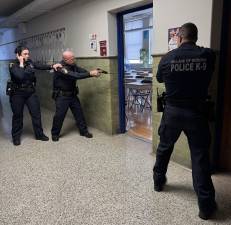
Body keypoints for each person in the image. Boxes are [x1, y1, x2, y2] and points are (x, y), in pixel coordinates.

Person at [153, 23, 217, 220]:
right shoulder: (208, 55)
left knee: (164, 148)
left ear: (179, 38)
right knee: (199, 158)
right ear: (196, 37)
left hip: (171, 112)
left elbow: (160, 79)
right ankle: (205, 207)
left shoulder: (167, 58)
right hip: (197, 114)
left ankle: (158, 182)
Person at [9, 45, 62, 146]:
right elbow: (20, 76)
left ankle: (39, 134)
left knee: (36, 114)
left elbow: (40, 66)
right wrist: (21, 63)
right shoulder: (12, 65)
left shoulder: (30, 62)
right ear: (18, 55)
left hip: (30, 92)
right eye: (25, 54)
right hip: (17, 94)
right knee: (18, 116)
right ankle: (16, 137)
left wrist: (52, 66)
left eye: (28, 53)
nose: (27, 55)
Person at [51, 50, 101, 141]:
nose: (74, 60)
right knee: (59, 115)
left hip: (72, 94)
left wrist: (93, 73)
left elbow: (82, 71)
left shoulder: (73, 65)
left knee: (79, 113)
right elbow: (74, 76)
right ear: (65, 59)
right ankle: (55, 134)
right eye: (71, 58)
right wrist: (90, 74)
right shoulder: (60, 68)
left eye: (74, 57)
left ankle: (84, 131)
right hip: (62, 96)